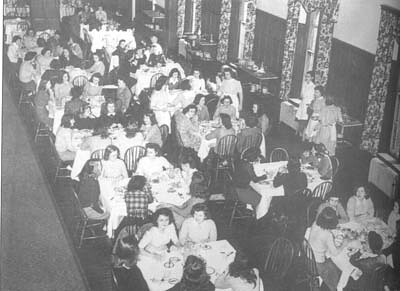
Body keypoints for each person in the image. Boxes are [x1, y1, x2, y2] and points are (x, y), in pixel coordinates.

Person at [309, 207, 342, 291]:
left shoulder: (315, 223)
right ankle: (335, 288)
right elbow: (335, 252)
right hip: (318, 265)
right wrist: (345, 243)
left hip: (308, 257)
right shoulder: (327, 235)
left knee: (332, 265)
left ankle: (319, 282)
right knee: (336, 270)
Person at [295, 71, 315, 139]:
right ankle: (299, 134)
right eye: (306, 76)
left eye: (308, 76)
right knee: (300, 119)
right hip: (302, 104)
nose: (306, 78)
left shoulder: (313, 87)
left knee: (304, 121)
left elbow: (312, 98)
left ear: (312, 78)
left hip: (307, 105)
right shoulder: (305, 84)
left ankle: (303, 136)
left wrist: (309, 105)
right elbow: (302, 95)